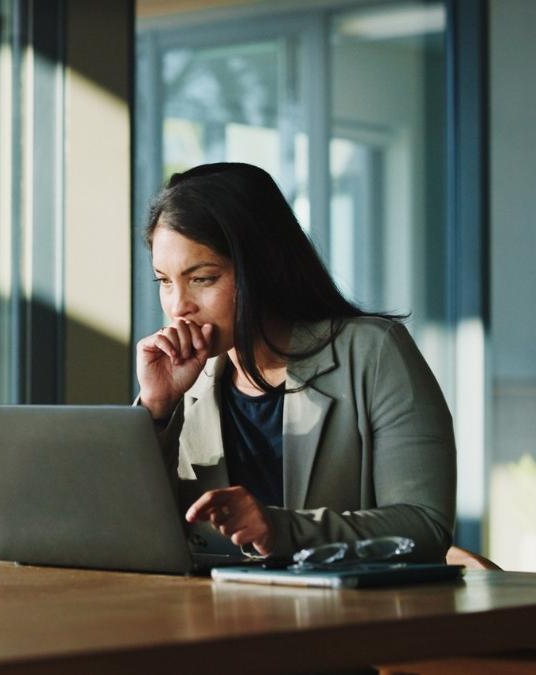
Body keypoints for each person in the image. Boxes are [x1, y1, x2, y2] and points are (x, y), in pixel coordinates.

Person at [136, 162, 456, 562]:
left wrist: (282, 529)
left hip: (345, 618)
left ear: (263, 265)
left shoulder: (372, 353)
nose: (178, 306)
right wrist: (156, 411)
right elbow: (131, 534)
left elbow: (424, 524)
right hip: (214, 615)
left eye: (202, 278)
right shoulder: (185, 383)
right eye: (164, 281)